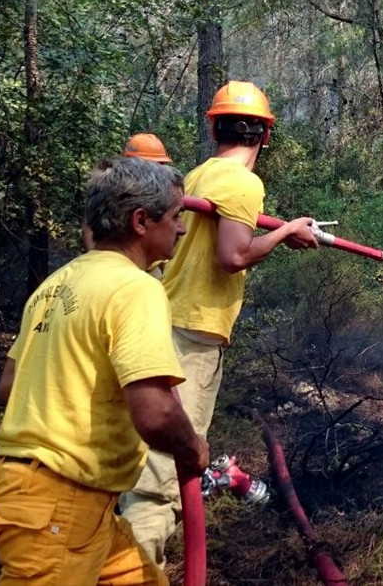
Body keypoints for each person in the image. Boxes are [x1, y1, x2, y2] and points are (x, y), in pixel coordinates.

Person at [120, 80, 319, 566]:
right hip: (191, 337)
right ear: (264, 135)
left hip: (165, 321)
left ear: (214, 129)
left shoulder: (199, 174)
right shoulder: (244, 183)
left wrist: (280, 231)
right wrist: (287, 232)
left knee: (142, 462)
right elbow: (232, 256)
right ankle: (134, 572)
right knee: (160, 482)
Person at [0, 156, 209, 586]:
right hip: (60, 503)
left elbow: (10, 386)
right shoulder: (136, 288)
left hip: (61, 499)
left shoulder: (56, 284)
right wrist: (194, 449)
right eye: (175, 217)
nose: (181, 229)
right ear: (141, 221)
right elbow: (156, 414)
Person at [82, 133, 175, 251]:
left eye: (160, 165)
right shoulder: (114, 185)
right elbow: (89, 223)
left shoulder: (164, 190)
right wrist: (98, 255)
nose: (157, 170)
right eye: (153, 165)